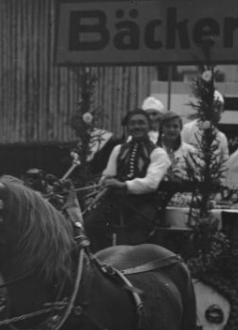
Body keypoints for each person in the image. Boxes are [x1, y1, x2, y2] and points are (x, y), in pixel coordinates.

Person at [84, 107, 168, 252]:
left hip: (144, 203)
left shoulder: (158, 153)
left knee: (136, 230)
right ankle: (100, 257)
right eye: (132, 123)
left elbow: (151, 183)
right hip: (117, 201)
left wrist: (123, 185)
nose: (136, 126)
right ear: (127, 127)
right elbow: (108, 173)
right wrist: (104, 181)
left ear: (149, 126)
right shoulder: (118, 150)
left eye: (141, 123)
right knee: (91, 223)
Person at [158, 110, 197, 206]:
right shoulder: (153, 149)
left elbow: (195, 176)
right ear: (161, 128)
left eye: (175, 126)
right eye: (167, 126)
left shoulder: (190, 151)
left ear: (180, 128)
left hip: (183, 201)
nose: (171, 130)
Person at [181, 89, 229, 162]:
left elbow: (225, 164)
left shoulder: (221, 138)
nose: (216, 110)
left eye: (219, 107)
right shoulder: (187, 130)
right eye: (213, 106)